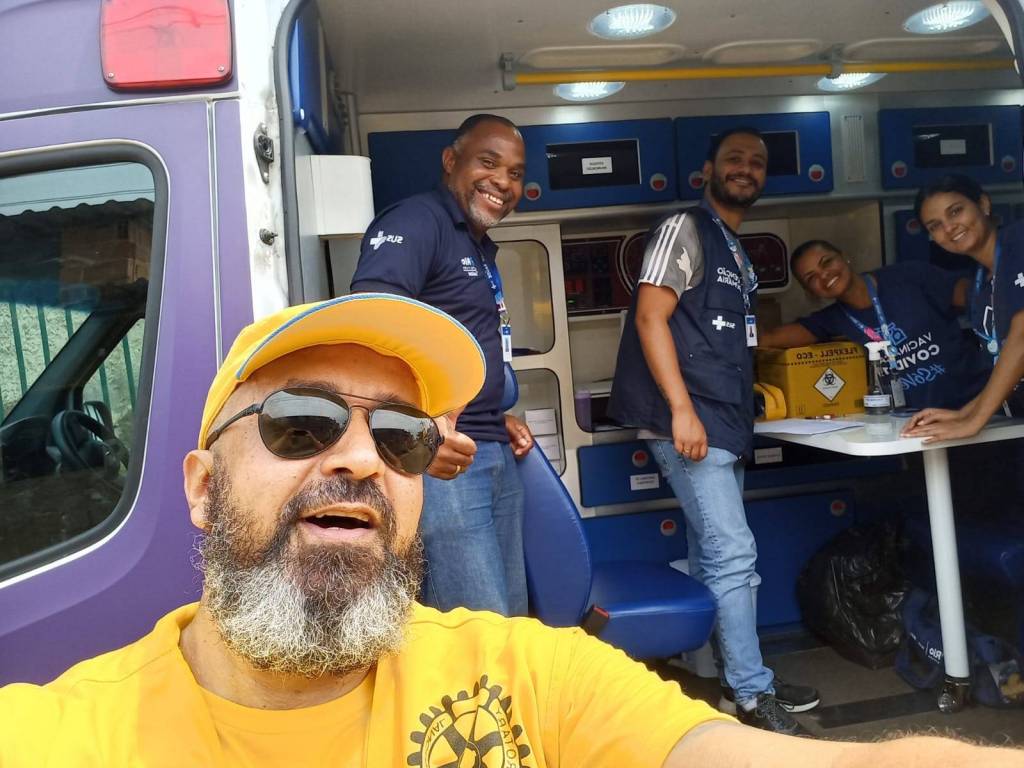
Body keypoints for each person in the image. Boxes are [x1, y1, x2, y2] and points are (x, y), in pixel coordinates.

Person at [3, 291, 1023, 768]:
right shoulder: (57, 737)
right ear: (200, 485)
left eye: (401, 437)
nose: (360, 459)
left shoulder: (527, 679)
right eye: (300, 423)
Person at [608, 128, 819, 735]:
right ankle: (752, 694)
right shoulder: (685, 228)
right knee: (733, 554)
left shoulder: (733, 247)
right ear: (708, 170)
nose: (746, 169)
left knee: (712, 554)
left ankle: (732, 680)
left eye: (757, 162)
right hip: (691, 418)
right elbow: (650, 317)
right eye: (734, 159)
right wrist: (681, 409)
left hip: (721, 418)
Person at [350, 113, 533, 617]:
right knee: (477, 627)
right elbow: (369, 335)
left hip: (488, 445)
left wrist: (493, 412)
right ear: (451, 161)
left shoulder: (475, 242)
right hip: (443, 461)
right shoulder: (416, 222)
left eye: (515, 173)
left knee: (512, 621)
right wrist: (419, 431)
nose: (502, 182)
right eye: (488, 163)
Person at [760, 239, 990, 410]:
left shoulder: (909, 276)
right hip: (915, 423)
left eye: (826, 262)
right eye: (811, 277)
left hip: (977, 403)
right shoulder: (833, 319)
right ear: (810, 291)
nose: (824, 275)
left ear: (844, 257)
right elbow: (768, 338)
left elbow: (981, 299)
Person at [903, 174, 1024, 441]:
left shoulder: (1019, 241)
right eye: (935, 225)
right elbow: (1006, 366)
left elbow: (1022, 336)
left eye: (956, 211)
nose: (949, 227)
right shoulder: (980, 286)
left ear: (983, 204)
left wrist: (973, 422)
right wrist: (964, 413)